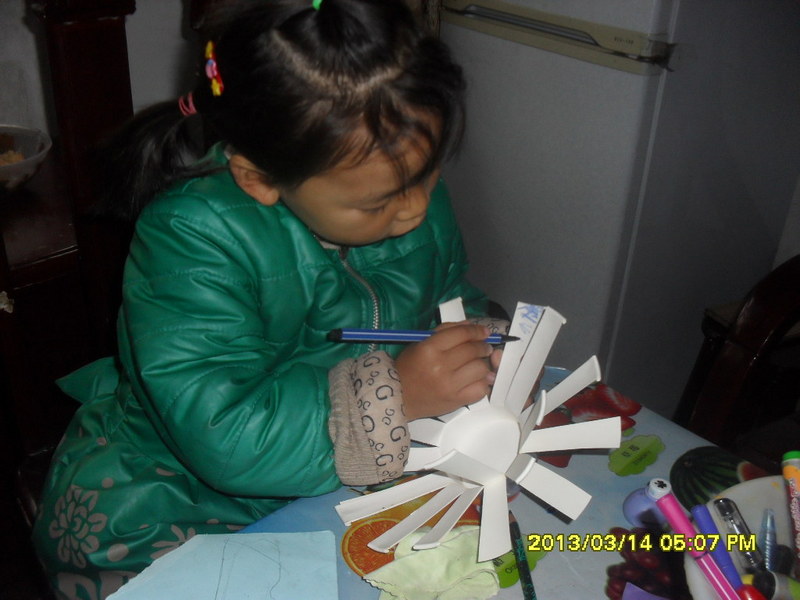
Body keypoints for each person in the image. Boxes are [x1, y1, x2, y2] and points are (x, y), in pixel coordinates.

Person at [32, 1, 503, 598]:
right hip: (179, 490)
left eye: (427, 175)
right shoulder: (190, 233)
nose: (415, 209)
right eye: (377, 203)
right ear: (259, 178)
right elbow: (222, 433)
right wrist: (400, 395)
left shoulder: (402, 190)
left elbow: (449, 297)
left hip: (366, 455)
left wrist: (476, 340)